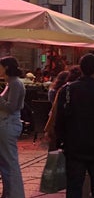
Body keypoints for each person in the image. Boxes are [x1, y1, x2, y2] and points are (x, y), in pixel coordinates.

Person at [54, 53, 94, 198]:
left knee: (74, 184)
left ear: (80, 68)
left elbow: (60, 119)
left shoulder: (67, 89)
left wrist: (60, 139)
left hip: (74, 143)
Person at [0, 56, 27, 197]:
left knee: (9, 161)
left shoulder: (15, 83)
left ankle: (15, 194)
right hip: (5, 124)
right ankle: (9, 193)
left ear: (7, 68)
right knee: (5, 162)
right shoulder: (10, 83)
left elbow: (12, 107)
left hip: (9, 124)